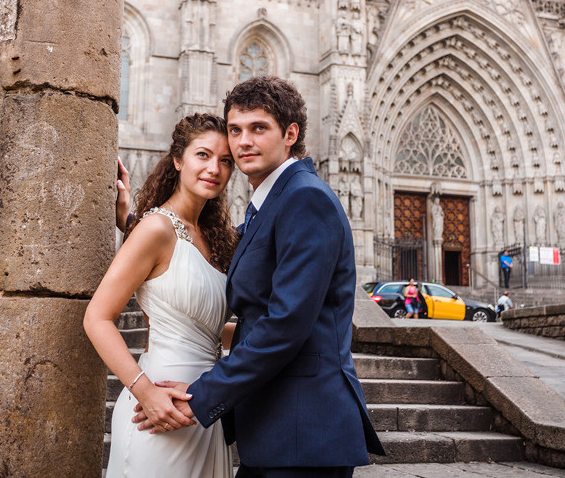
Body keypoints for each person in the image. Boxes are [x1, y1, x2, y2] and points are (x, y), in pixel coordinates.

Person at [136, 75, 384, 477]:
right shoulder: (271, 202)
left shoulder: (305, 198)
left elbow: (286, 324)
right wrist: (141, 228)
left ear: (290, 134)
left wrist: (201, 395)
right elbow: (199, 253)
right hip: (276, 428)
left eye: (258, 128)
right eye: (235, 129)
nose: (243, 142)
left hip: (303, 432)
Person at [85, 114, 239, 477]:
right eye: (203, 155)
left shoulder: (216, 238)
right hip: (157, 406)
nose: (214, 168)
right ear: (178, 160)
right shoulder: (156, 228)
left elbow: (204, 328)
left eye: (225, 160)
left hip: (203, 406)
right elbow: (96, 318)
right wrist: (144, 392)